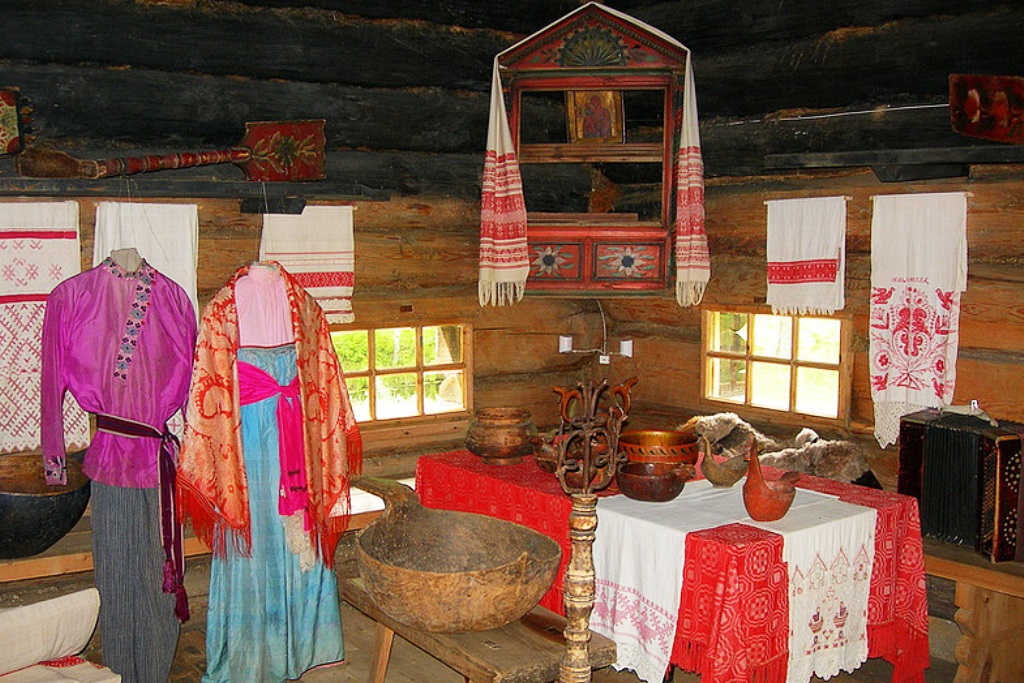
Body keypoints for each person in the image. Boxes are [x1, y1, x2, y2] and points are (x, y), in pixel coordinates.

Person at [177, 261, 362, 683]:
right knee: (254, 538)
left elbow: (324, 378)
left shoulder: (305, 305)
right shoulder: (223, 310)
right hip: (246, 443)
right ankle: (254, 655)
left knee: (300, 533)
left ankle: (307, 648)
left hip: (298, 437)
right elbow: (208, 388)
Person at [41, 248, 197, 683]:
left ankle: (153, 671)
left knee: (159, 575)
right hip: (110, 457)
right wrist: (54, 459)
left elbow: (194, 385)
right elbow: (52, 379)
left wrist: (201, 455)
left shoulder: (174, 298)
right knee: (114, 576)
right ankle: (120, 673)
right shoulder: (72, 296)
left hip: (159, 462)